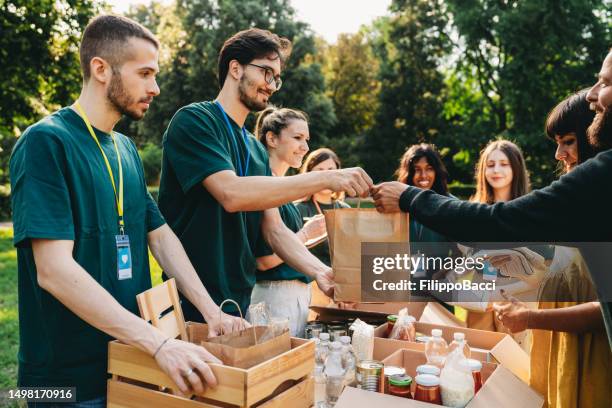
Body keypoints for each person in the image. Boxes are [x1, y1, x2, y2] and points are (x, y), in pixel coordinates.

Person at [9, 15, 244, 405]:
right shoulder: (46, 142)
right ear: (100, 68)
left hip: (128, 363)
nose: (155, 87)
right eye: (145, 73)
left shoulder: (126, 150)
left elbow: (160, 235)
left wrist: (210, 310)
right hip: (63, 381)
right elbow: (53, 271)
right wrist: (159, 344)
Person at [371, 49, 612, 347]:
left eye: (569, 142)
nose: (593, 94)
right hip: (527, 327)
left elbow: (495, 222)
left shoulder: (591, 185)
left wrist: (410, 197)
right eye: (490, 164)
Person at [158, 28, 372, 321]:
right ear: (236, 68)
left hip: (239, 302)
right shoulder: (195, 120)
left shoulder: (255, 150)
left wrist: (320, 271)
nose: (272, 85)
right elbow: (231, 194)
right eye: (266, 72)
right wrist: (324, 178)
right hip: (190, 302)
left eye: (277, 77)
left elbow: (274, 230)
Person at [491, 91, 610, 407]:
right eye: (557, 142)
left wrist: (530, 318)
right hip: (565, 350)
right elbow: (573, 274)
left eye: (568, 141)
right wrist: (527, 270)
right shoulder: (580, 202)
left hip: (593, 358)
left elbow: (605, 311)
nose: (559, 153)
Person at [250, 107, 326, 337]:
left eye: (307, 139)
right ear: (272, 138)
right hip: (274, 299)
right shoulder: (262, 185)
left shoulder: (280, 189)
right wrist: (304, 233)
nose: (305, 147)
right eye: (297, 138)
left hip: (293, 298)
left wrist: (312, 235)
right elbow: (262, 261)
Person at [295, 148, 351, 267]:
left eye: (331, 170)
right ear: (309, 174)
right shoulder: (298, 209)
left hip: (343, 278)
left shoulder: (346, 209)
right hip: (311, 280)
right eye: (320, 170)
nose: (327, 176)